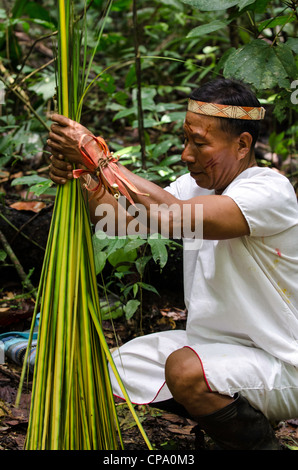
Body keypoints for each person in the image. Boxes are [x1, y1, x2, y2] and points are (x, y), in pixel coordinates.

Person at [48, 78, 298, 450]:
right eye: (186, 140)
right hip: (210, 347)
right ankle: (226, 420)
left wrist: (96, 156)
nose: (186, 154)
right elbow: (114, 220)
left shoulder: (268, 190)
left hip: (283, 365)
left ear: (242, 145)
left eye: (199, 143)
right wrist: (85, 176)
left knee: (185, 371)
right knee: (101, 371)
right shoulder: (196, 186)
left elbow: (172, 217)